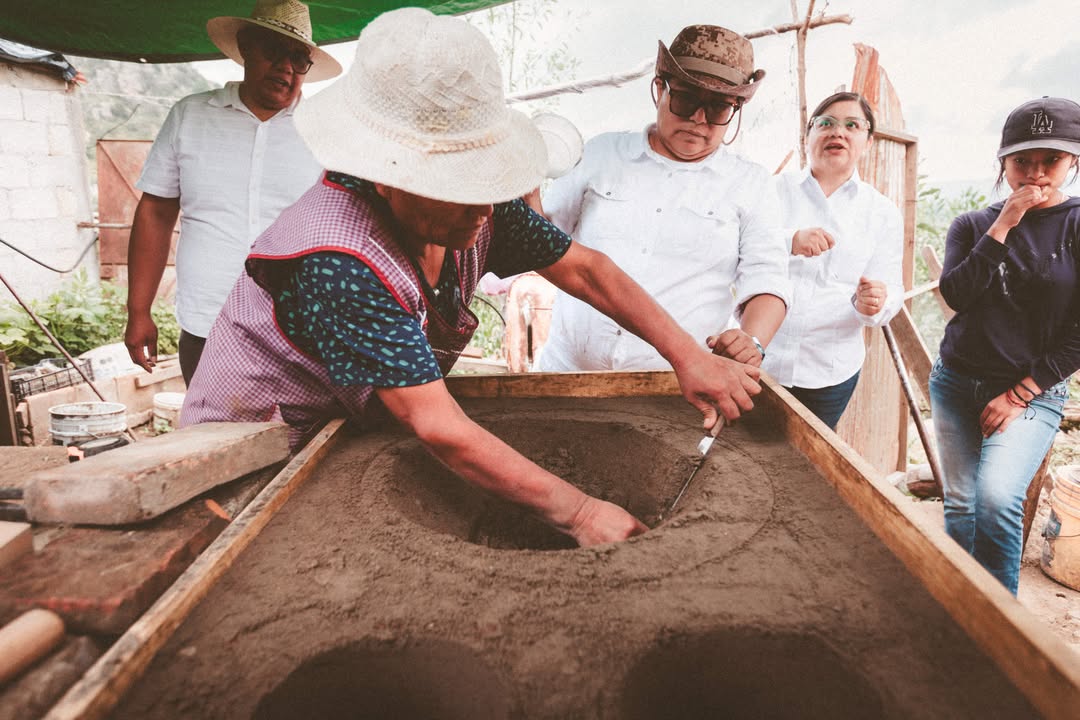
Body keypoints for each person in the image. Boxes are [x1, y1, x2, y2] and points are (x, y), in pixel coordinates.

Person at [180, 8, 763, 548]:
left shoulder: (481, 205)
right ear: (386, 175)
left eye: (484, 182)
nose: (483, 212)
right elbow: (437, 424)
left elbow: (587, 271)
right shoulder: (338, 260)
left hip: (348, 428)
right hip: (257, 450)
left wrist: (687, 355)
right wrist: (581, 512)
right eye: (458, 188)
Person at [537, 24, 790, 373]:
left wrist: (753, 340)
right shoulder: (599, 154)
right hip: (565, 372)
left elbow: (767, 279)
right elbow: (540, 236)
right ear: (660, 88)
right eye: (686, 100)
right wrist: (525, 184)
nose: (699, 119)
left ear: (736, 109)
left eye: (718, 109)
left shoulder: (751, 184)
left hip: (674, 387)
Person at [124, 0, 341, 385]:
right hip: (208, 325)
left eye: (298, 58)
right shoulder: (190, 116)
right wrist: (138, 310)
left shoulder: (330, 132)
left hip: (303, 330)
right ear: (245, 48)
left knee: (306, 442)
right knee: (216, 440)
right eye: (273, 51)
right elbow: (155, 213)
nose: (286, 67)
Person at [930, 96, 1080, 594]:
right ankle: (959, 604)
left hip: (1032, 391)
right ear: (1002, 163)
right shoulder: (972, 224)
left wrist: (1021, 393)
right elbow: (955, 294)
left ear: (1073, 161)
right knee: (961, 502)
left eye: (1051, 160)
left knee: (995, 499)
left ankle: (1003, 630)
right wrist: (1003, 225)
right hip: (956, 382)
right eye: (1021, 161)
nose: (1035, 174)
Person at [763, 92, 904, 430]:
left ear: (867, 142)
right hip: (756, 360)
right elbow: (732, 252)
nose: (837, 132)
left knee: (806, 471)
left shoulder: (881, 213)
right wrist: (790, 241)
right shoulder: (770, 191)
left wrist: (875, 304)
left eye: (852, 125)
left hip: (828, 372)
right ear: (807, 135)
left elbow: (892, 289)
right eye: (825, 123)